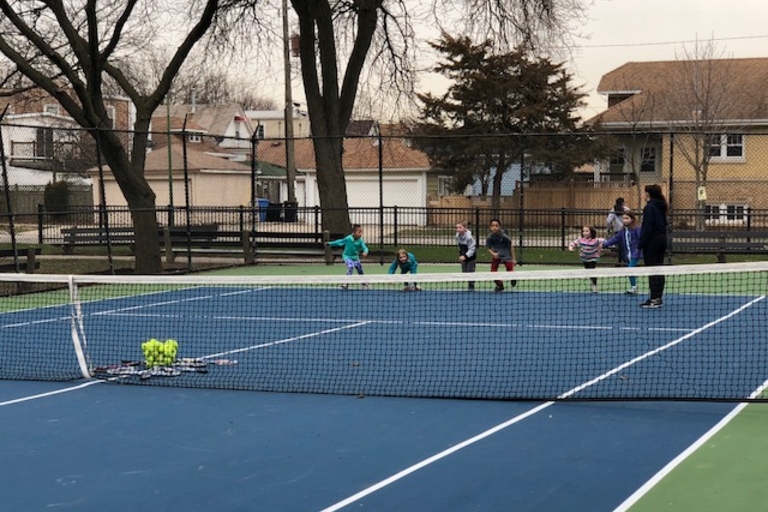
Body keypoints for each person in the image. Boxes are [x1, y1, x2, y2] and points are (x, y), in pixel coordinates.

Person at [638, 184, 668, 308]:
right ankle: (657, 297)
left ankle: (654, 298)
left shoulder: (650, 208)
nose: (643, 195)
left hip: (653, 241)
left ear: (648, 194)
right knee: (658, 269)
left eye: (645, 193)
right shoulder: (661, 206)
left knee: (653, 270)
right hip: (662, 239)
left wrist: (640, 244)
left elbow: (647, 228)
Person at [602, 211, 642, 294]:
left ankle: (634, 288)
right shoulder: (622, 231)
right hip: (627, 255)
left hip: (635, 254)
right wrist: (604, 245)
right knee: (630, 270)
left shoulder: (636, 229)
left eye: (627, 218)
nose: (624, 220)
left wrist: (639, 249)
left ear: (632, 219)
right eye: (623, 218)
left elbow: (641, 239)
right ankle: (633, 287)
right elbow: (615, 239)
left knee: (630, 269)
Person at [328, 224, 369, 289]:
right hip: (347, 256)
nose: (361, 234)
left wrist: (365, 251)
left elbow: (365, 247)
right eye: (359, 232)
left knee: (360, 269)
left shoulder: (360, 241)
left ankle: (364, 283)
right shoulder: (348, 238)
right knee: (350, 266)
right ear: (354, 232)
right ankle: (346, 283)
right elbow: (340, 242)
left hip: (355, 257)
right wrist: (330, 243)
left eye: (361, 232)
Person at [568, 226, 603, 293]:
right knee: (588, 271)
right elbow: (573, 243)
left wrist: (603, 246)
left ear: (591, 232)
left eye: (587, 231)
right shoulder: (580, 239)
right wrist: (571, 248)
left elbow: (604, 242)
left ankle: (594, 285)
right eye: (583, 231)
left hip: (593, 258)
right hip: (584, 258)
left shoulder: (596, 240)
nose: (585, 233)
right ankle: (592, 281)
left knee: (592, 270)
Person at [486, 218, 516, 292]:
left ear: (499, 227)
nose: (494, 227)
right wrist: (493, 253)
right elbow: (488, 248)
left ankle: (513, 277)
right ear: (490, 227)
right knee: (493, 273)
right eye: (492, 226)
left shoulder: (504, 236)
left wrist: (513, 259)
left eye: (496, 226)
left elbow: (511, 246)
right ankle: (500, 285)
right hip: (496, 255)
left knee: (510, 270)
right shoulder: (490, 237)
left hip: (506, 255)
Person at [606, 197, 630, 264]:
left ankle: (620, 261)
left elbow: (608, 220)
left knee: (620, 246)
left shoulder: (613, 210)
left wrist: (609, 228)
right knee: (625, 245)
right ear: (623, 202)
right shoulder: (626, 209)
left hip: (617, 229)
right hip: (626, 229)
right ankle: (625, 260)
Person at [455, 221, 476, 291]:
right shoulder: (457, 235)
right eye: (457, 227)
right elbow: (459, 246)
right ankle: (468, 281)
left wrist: (465, 256)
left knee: (470, 271)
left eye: (460, 227)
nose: (458, 229)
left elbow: (472, 249)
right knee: (464, 271)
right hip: (463, 254)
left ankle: (471, 284)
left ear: (465, 228)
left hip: (471, 256)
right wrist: (461, 255)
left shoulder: (469, 238)